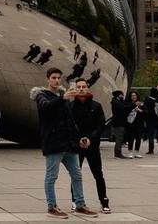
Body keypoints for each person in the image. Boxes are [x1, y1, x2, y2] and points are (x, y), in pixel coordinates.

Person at [30, 67, 98, 219]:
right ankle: (52, 207)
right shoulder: (42, 95)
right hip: (54, 143)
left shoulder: (62, 94)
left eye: (59, 78)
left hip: (69, 143)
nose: (56, 80)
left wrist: (78, 138)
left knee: (77, 175)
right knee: (51, 177)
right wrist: (63, 99)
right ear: (48, 79)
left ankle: (80, 205)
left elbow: (70, 120)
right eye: (53, 77)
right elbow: (46, 107)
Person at [69, 78, 110, 214]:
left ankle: (104, 202)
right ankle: (75, 201)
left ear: (88, 88)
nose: (81, 89)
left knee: (98, 174)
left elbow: (100, 124)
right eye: (79, 87)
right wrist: (79, 139)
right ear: (75, 89)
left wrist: (90, 138)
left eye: (84, 87)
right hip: (77, 146)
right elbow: (69, 126)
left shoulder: (96, 106)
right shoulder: (70, 106)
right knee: (76, 175)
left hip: (92, 146)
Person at [143, 87, 158, 155]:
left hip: (151, 121)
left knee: (151, 135)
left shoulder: (148, 100)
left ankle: (151, 150)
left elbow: (145, 111)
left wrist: (145, 120)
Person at [109, 91, 131, 159]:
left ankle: (118, 153)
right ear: (118, 95)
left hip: (120, 122)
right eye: (121, 95)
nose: (122, 96)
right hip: (118, 123)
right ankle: (118, 153)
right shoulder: (116, 103)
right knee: (119, 138)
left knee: (120, 138)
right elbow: (123, 107)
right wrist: (132, 105)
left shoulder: (118, 102)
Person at [124, 91, 145, 158]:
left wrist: (141, 111)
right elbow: (125, 111)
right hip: (131, 124)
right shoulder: (128, 103)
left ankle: (136, 152)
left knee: (138, 138)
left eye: (135, 95)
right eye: (132, 95)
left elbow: (146, 112)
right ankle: (130, 152)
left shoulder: (141, 104)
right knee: (131, 138)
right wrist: (134, 106)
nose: (134, 97)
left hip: (139, 124)